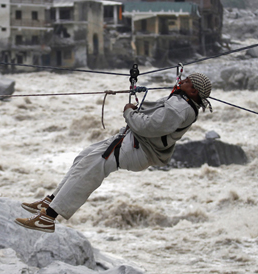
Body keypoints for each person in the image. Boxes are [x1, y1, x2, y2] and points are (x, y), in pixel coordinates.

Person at [15, 73, 212, 233]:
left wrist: (128, 112)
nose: (181, 81)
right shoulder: (182, 100)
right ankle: (51, 200)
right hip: (133, 141)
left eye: (185, 81)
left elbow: (148, 127)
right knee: (84, 157)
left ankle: (48, 217)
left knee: (92, 168)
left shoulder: (180, 107)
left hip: (138, 149)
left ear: (193, 91)